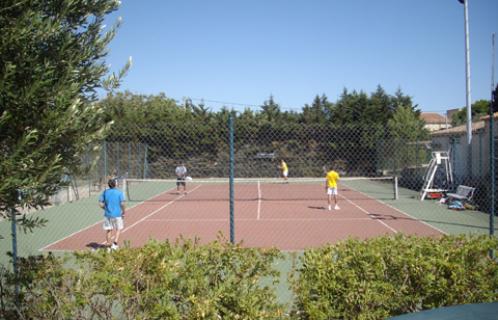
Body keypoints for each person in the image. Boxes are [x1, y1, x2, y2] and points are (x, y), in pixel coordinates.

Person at [98, 178, 126, 250]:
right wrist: (123, 211)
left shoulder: (105, 192)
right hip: (117, 215)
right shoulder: (119, 193)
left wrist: (105, 208)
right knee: (118, 229)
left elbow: (100, 203)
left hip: (108, 215)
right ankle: (115, 243)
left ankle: (108, 245)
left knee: (108, 230)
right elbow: (122, 203)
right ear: (115, 184)